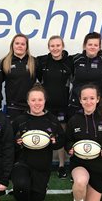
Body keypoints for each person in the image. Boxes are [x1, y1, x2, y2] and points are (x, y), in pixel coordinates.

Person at [11, 83, 65, 201]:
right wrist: (17, 142)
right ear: (28, 101)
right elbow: (8, 141)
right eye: (33, 100)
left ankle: (38, 188)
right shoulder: (19, 120)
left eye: (40, 100)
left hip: (42, 165)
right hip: (22, 163)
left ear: (45, 101)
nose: (36, 103)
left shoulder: (52, 120)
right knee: (21, 185)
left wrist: (54, 142)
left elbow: (61, 141)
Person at [36, 35, 73, 179]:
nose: (55, 48)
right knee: (44, 134)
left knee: (60, 136)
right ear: (48, 47)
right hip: (46, 106)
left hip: (63, 105)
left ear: (62, 46)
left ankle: (62, 165)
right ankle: (43, 164)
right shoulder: (43, 61)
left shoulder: (69, 62)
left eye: (58, 45)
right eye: (52, 46)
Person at [68, 32, 102, 118]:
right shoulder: (76, 59)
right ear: (84, 46)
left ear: (99, 47)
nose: (92, 47)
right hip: (76, 103)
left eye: (96, 45)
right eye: (90, 44)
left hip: (98, 105)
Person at [1, 34, 36, 119]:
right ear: (12, 45)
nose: (19, 46)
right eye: (17, 43)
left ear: (26, 46)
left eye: (23, 44)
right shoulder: (4, 62)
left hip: (31, 106)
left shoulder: (34, 62)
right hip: (13, 107)